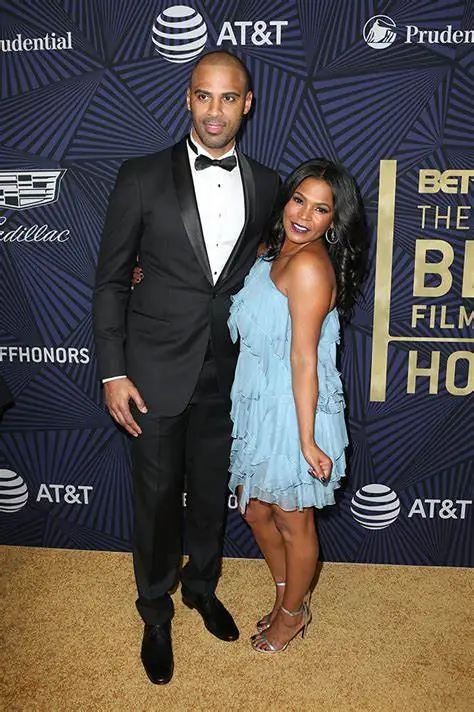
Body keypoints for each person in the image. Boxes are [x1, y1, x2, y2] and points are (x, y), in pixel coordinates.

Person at [92, 51, 280, 684]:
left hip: (228, 371)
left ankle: (201, 587)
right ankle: (154, 609)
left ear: (247, 104)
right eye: (204, 96)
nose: (214, 111)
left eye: (228, 98)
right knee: (154, 499)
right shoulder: (141, 175)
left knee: (207, 495)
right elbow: (111, 281)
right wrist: (113, 371)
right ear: (188, 98)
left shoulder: (268, 183)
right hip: (152, 371)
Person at [228, 159, 367, 653]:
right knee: (254, 510)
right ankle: (289, 592)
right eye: (299, 200)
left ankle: (291, 614)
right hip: (261, 401)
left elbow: (304, 358)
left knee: (292, 519)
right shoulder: (273, 251)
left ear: (335, 220)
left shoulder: (308, 266)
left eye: (321, 209)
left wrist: (307, 440)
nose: (304, 215)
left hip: (294, 407)